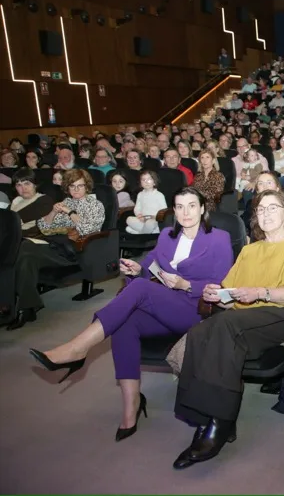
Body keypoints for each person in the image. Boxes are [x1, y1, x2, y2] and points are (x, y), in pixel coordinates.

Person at [29, 188, 233, 439]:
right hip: (165, 304)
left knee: (139, 289)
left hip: (196, 308)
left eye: (192, 206)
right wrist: (137, 268)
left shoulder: (219, 238)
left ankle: (78, 348)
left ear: (203, 209)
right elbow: (150, 268)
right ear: (174, 210)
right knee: (125, 322)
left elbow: (222, 283)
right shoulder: (167, 236)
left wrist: (185, 285)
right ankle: (131, 406)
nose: (186, 212)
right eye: (179, 207)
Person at [172, 190, 284, 470]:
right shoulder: (250, 249)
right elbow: (230, 290)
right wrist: (216, 293)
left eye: (273, 208)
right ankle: (208, 417)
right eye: (260, 210)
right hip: (240, 318)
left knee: (223, 326)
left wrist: (259, 292)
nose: (265, 214)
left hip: (277, 316)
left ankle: (219, 425)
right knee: (201, 332)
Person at [9, 169, 105, 329]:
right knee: (24, 253)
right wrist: (53, 212)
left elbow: (89, 230)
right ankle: (27, 306)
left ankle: (25, 306)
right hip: (56, 245)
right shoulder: (65, 202)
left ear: (87, 187)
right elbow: (44, 227)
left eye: (79, 186)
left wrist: (71, 212)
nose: (75, 190)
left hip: (76, 249)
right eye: (72, 186)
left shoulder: (95, 204)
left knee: (24, 249)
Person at [8, 169, 54, 238]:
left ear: (35, 185)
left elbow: (13, 219)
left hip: (28, 239)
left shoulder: (45, 200)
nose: (23, 188)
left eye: (27, 183)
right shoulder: (16, 200)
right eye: (19, 185)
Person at [126, 170, 167, 234]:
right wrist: (139, 215)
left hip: (154, 220)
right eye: (143, 180)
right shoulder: (140, 194)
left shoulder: (159, 195)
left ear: (154, 182)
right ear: (140, 183)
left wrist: (154, 217)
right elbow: (137, 208)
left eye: (149, 179)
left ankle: (142, 234)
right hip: (142, 219)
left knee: (149, 223)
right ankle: (149, 232)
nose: (146, 182)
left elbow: (164, 211)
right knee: (129, 219)